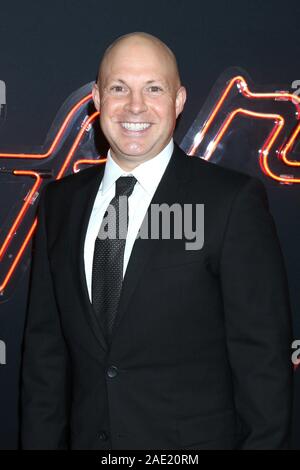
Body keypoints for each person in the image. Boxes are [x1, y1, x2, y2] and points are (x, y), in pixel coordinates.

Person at [21, 32, 293, 450]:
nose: (134, 106)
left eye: (153, 88)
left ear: (179, 100)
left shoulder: (229, 202)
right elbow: (45, 358)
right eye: (118, 88)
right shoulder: (60, 204)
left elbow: (262, 367)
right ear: (96, 98)